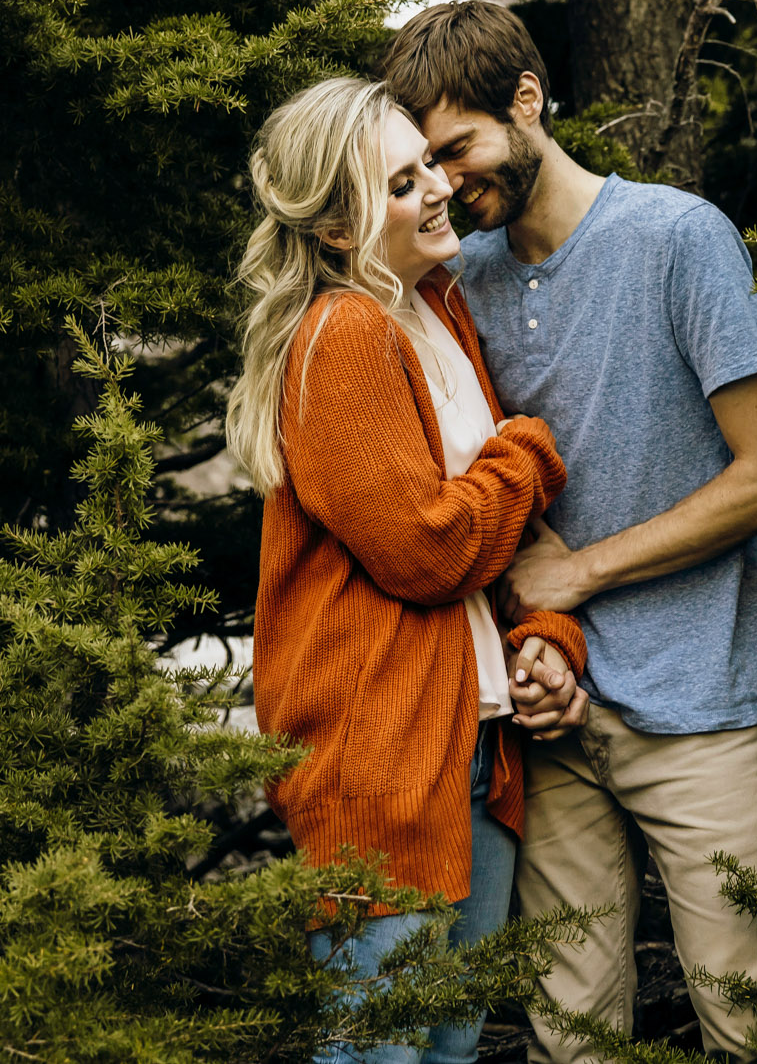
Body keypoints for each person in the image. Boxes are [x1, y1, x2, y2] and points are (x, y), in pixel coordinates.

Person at [379, 2, 757, 1063]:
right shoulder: (456, 284)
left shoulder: (677, 238)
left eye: (455, 149)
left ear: (525, 102)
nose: (442, 183)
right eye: (420, 165)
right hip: (551, 725)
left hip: (704, 708)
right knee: (570, 1043)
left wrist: (581, 575)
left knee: (749, 1027)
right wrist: (533, 639)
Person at [226, 76, 589, 1064]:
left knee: (445, 1046)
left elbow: (496, 545)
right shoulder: (345, 335)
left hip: (471, 749)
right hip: (380, 769)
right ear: (341, 228)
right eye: (397, 183)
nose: (434, 187)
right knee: (380, 1052)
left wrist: (544, 640)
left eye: (427, 163)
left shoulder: (435, 316)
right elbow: (427, 548)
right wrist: (528, 451)